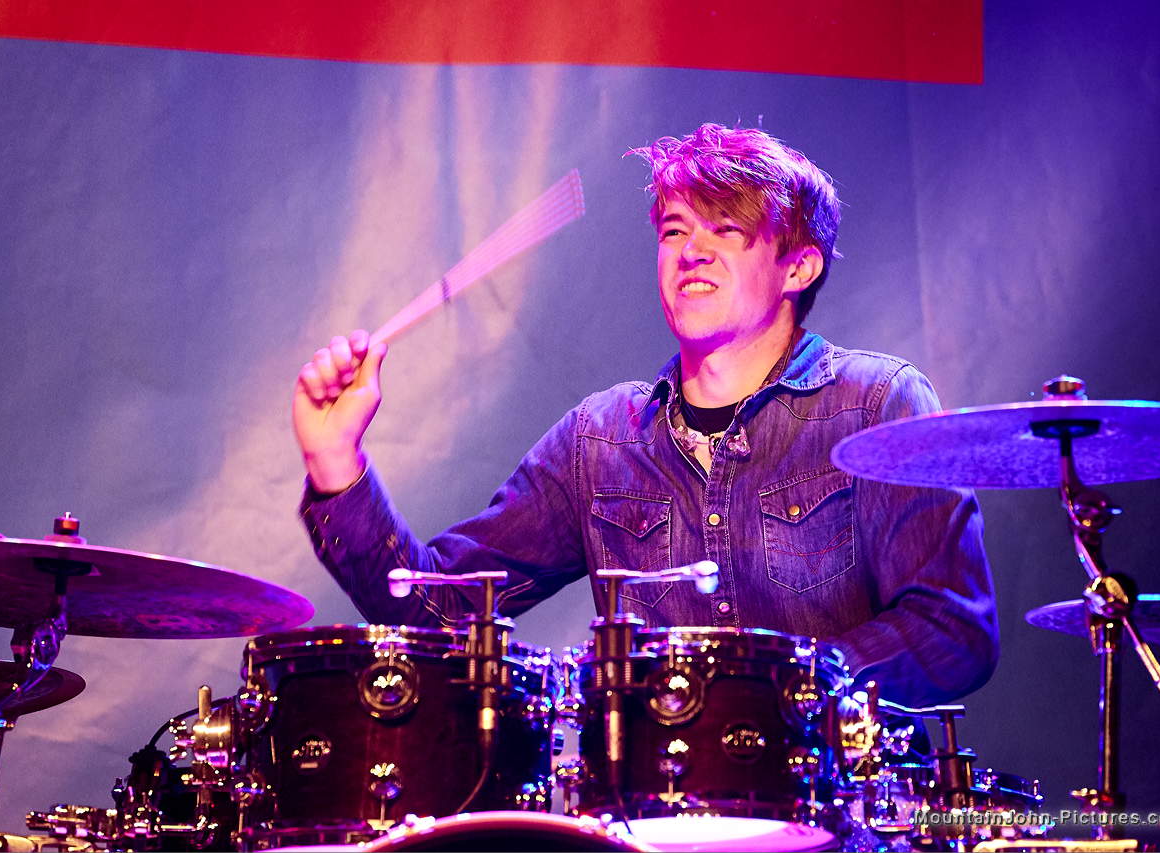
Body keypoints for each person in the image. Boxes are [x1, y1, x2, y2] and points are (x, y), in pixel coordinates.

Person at [292, 124, 997, 706]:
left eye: (727, 229)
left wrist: (783, 690)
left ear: (798, 267)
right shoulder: (598, 440)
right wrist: (335, 463)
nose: (692, 251)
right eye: (674, 230)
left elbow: (951, 629)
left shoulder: (878, 405)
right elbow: (438, 616)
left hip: (832, 809)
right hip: (652, 814)